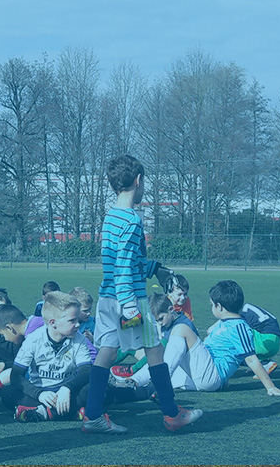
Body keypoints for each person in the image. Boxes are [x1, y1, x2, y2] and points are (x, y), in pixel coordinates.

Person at [82, 154, 202, 434]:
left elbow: (122, 261)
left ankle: (93, 417)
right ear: (138, 181)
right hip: (129, 299)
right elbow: (125, 266)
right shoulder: (132, 221)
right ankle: (173, 414)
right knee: (155, 350)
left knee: (106, 353)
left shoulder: (111, 216)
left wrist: (155, 268)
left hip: (108, 297)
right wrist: (130, 306)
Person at [121, 285, 280, 397]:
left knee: (181, 330)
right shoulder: (225, 323)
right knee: (154, 373)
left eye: (212, 304)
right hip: (204, 374)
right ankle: (131, 382)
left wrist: (270, 387)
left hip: (211, 376)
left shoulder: (240, 327)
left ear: (219, 307)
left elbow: (251, 358)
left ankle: (160, 385)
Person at [11, 292, 93, 422]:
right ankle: (72, 412)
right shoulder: (33, 339)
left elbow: (87, 371)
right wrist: (39, 394)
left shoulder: (79, 339)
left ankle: (43, 413)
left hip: (69, 392)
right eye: (72, 321)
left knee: (97, 387)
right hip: (41, 392)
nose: (78, 324)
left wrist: (67, 388)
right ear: (53, 323)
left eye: (78, 320)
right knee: (8, 393)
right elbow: (16, 375)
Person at [0, 303, 28, 408]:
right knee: (8, 393)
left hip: (51, 383)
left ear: (10, 328)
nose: (5, 339)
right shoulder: (36, 327)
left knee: (9, 393)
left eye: (3, 335)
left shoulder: (33, 337)